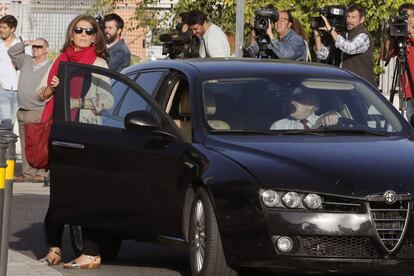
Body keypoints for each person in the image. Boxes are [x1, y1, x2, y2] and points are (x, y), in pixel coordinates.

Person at [37, 14, 113, 269]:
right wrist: (53, 89)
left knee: (87, 194)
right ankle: (54, 248)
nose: (83, 34)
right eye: (79, 30)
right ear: (71, 34)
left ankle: (91, 253)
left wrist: (75, 103)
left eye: (89, 31)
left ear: (95, 36)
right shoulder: (59, 61)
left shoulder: (99, 63)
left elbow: (108, 102)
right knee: (59, 194)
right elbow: (41, 94)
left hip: (87, 134)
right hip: (59, 134)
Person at [8, 38, 52, 184]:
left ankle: (41, 173)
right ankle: (28, 173)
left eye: (39, 47)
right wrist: (27, 42)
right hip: (23, 109)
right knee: (26, 143)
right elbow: (12, 52)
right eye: (34, 47)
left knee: (41, 143)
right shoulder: (26, 61)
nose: (35, 49)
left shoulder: (50, 66)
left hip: (39, 110)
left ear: (46, 49)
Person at [313, 4, 376, 86]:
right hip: (347, 86)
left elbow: (349, 48)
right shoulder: (344, 36)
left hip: (363, 89)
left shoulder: (364, 36)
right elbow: (322, 54)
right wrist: (317, 35)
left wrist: (331, 30)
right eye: (348, 17)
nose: (349, 20)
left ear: (362, 19)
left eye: (353, 17)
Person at [382, 3, 414, 120]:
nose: (407, 20)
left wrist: (411, 32)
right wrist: (390, 34)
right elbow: (386, 55)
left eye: (409, 16)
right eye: (403, 16)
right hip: (409, 92)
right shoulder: (402, 36)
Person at [0, 15, 30, 130]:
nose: (1, 30)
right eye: (0, 27)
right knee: (5, 123)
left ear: (12, 29)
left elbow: (30, 63)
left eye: (4, 27)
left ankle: (9, 148)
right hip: (3, 90)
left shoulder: (21, 43)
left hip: (20, 90)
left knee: (13, 125)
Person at [270, 88, 339, 130]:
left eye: (297, 99)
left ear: (312, 104)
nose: (291, 102)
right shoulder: (280, 126)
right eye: (291, 99)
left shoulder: (325, 120)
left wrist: (334, 116)